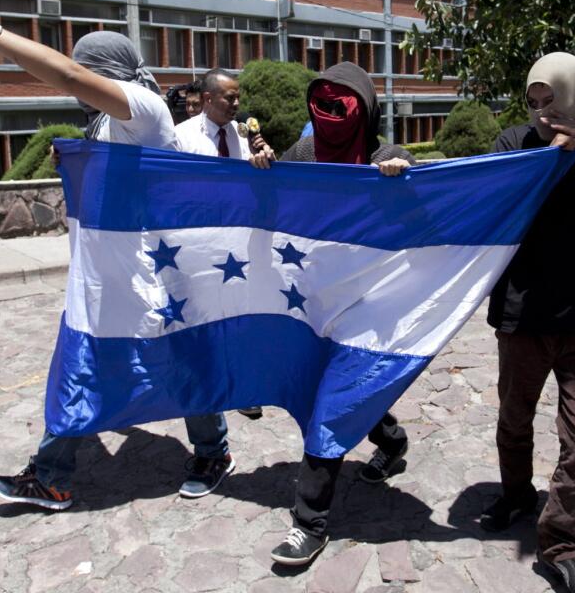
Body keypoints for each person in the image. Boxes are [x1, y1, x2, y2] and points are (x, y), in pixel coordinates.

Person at [0, 0, 223, 511]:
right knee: (82, 363)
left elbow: (63, 74)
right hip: (110, 272)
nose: (81, 77)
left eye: (88, 68)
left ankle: (213, 451)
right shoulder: (108, 122)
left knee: (181, 360)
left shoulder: (143, 107)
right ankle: (51, 475)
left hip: (154, 273)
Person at [481, 54, 575, 593]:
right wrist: (545, 158)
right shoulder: (512, 142)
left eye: (554, 101)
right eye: (534, 102)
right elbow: (496, 205)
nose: (543, 113)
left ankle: (561, 541)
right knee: (513, 418)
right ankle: (516, 493)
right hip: (522, 312)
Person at [268, 61, 414, 566]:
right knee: (335, 389)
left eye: (341, 105)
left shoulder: (386, 156)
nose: (330, 114)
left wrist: (402, 181)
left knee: (328, 405)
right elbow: (272, 195)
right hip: (314, 300)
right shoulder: (306, 151)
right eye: (322, 104)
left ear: (366, 110)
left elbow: (420, 220)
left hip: (368, 307)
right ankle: (391, 440)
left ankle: (309, 524)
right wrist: (264, 165)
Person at [172, 67, 276, 486]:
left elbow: (263, 189)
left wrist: (265, 161)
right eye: (229, 98)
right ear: (208, 98)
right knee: (199, 342)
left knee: (240, 327)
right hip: (198, 253)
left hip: (239, 253)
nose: (236, 104)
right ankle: (213, 448)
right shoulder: (181, 137)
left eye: (238, 97)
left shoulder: (244, 133)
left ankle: (245, 389)